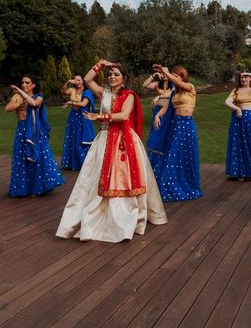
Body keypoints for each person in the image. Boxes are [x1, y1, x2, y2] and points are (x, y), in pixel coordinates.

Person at [56, 60, 167, 242]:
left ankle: (123, 220)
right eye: (110, 74)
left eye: (116, 74)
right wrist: (101, 64)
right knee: (95, 177)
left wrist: (100, 116)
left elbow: (124, 116)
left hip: (124, 141)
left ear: (123, 79)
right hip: (104, 139)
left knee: (122, 178)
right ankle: (96, 216)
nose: (112, 77)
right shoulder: (103, 93)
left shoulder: (129, 95)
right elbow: (87, 79)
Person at [5, 75, 65, 197]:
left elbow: (34, 104)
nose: (24, 85)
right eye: (22, 83)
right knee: (22, 158)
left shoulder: (39, 97)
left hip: (35, 131)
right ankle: (24, 188)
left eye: (27, 83)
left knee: (37, 157)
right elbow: (7, 108)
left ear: (33, 85)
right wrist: (18, 102)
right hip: (22, 130)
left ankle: (38, 187)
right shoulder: (17, 97)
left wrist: (22, 95)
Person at [152, 64, 202, 201]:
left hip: (186, 125)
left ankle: (186, 184)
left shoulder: (190, 88)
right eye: (173, 75)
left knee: (185, 155)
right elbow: (166, 108)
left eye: (176, 75)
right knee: (173, 155)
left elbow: (179, 83)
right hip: (176, 125)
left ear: (182, 77)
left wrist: (165, 72)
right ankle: (170, 184)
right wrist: (157, 116)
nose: (174, 78)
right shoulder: (174, 93)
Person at [142, 69, 173, 178]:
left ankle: (165, 163)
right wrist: (153, 75)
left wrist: (159, 96)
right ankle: (153, 164)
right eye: (162, 73)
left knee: (166, 136)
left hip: (168, 112)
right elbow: (144, 85)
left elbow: (171, 95)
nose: (164, 75)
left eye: (166, 73)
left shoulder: (173, 86)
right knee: (155, 135)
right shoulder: (156, 84)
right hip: (157, 112)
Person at [60, 75, 95, 171]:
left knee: (81, 139)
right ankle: (73, 163)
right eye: (75, 80)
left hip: (83, 117)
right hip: (73, 117)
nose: (77, 82)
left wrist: (71, 103)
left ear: (83, 81)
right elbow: (63, 91)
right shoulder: (72, 90)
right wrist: (68, 81)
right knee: (72, 138)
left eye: (79, 80)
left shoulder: (87, 92)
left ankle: (85, 163)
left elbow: (83, 104)